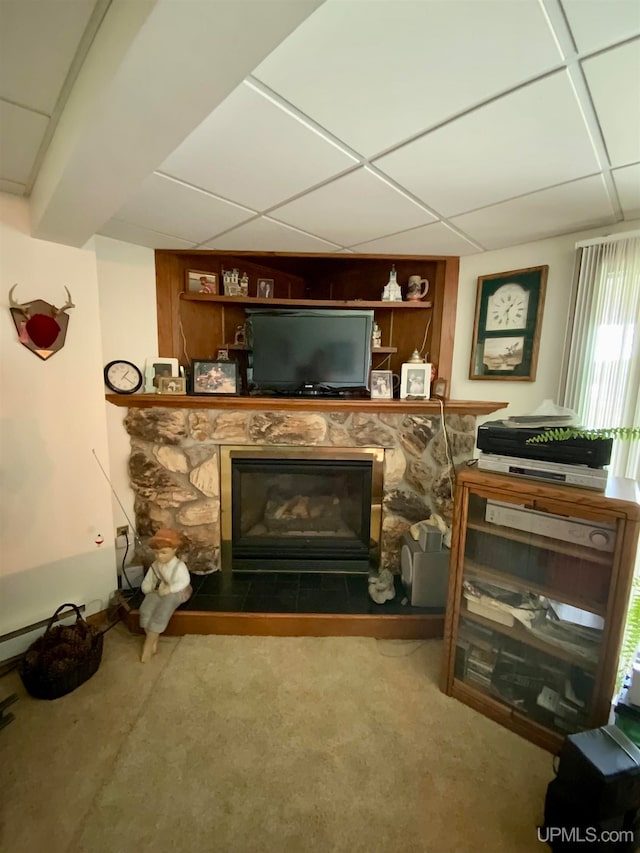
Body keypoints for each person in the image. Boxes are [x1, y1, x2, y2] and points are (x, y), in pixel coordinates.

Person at [139, 529, 192, 662]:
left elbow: (184, 581)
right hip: (158, 590)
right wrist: (152, 589)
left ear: (174, 550)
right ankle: (152, 637)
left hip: (176, 592)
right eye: (156, 553)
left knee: (163, 610)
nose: (159, 557)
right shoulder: (155, 566)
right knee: (146, 609)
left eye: (163, 553)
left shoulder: (179, 566)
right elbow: (146, 584)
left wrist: (170, 589)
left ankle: (148, 644)